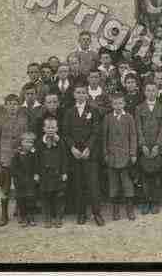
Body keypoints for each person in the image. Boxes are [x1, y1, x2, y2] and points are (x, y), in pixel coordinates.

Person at [62, 83, 104, 226]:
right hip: (75, 154)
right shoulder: (69, 112)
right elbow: (66, 133)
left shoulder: (93, 110)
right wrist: (72, 148)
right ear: (74, 95)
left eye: (83, 92)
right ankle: (81, 213)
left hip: (89, 154)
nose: (80, 95)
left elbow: (96, 131)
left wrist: (88, 148)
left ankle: (96, 213)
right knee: (78, 185)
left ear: (87, 95)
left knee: (93, 184)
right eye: (78, 92)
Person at [0, 94, 28, 226]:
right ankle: (4, 215)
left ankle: (22, 213)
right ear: (5, 106)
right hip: (5, 159)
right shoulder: (0, 120)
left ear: (19, 106)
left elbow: (26, 138)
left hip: (19, 159)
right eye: (9, 104)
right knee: (5, 187)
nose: (12, 107)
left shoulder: (23, 120)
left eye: (15, 104)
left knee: (20, 186)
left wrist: (24, 152)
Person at [102, 93, 138, 221]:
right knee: (114, 184)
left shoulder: (129, 117)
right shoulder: (108, 118)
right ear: (112, 105)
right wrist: (105, 153)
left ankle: (130, 209)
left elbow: (133, 136)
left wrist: (133, 153)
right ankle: (115, 210)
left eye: (120, 103)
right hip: (112, 156)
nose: (118, 106)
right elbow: (104, 137)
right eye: (115, 103)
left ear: (124, 104)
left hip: (125, 156)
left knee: (127, 184)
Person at [136, 82, 162, 215]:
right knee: (144, 176)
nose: (150, 93)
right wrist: (142, 145)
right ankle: (145, 201)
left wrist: (157, 146)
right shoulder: (139, 108)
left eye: (153, 90)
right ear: (144, 92)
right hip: (144, 148)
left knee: (156, 176)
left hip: (156, 148)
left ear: (157, 92)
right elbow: (138, 128)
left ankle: (155, 201)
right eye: (148, 90)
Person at [35, 117, 68, 228]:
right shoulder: (40, 143)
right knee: (45, 197)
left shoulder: (60, 142)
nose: (50, 130)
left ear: (57, 128)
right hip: (44, 175)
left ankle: (58, 217)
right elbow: (36, 159)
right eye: (48, 127)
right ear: (44, 129)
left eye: (53, 127)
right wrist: (37, 173)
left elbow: (64, 158)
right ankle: (47, 218)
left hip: (57, 174)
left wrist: (64, 172)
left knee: (59, 196)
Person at [10, 132, 38, 227]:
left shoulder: (33, 154)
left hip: (30, 180)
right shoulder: (17, 155)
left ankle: (31, 216)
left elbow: (36, 165)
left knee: (31, 198)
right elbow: (14, 168)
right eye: (26, 142)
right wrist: (19, 178)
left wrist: (36, 174)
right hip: (20, 181)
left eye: (31, 142)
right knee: (21, 199)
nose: (28, 144)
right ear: (21, 142)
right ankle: (23, 216)